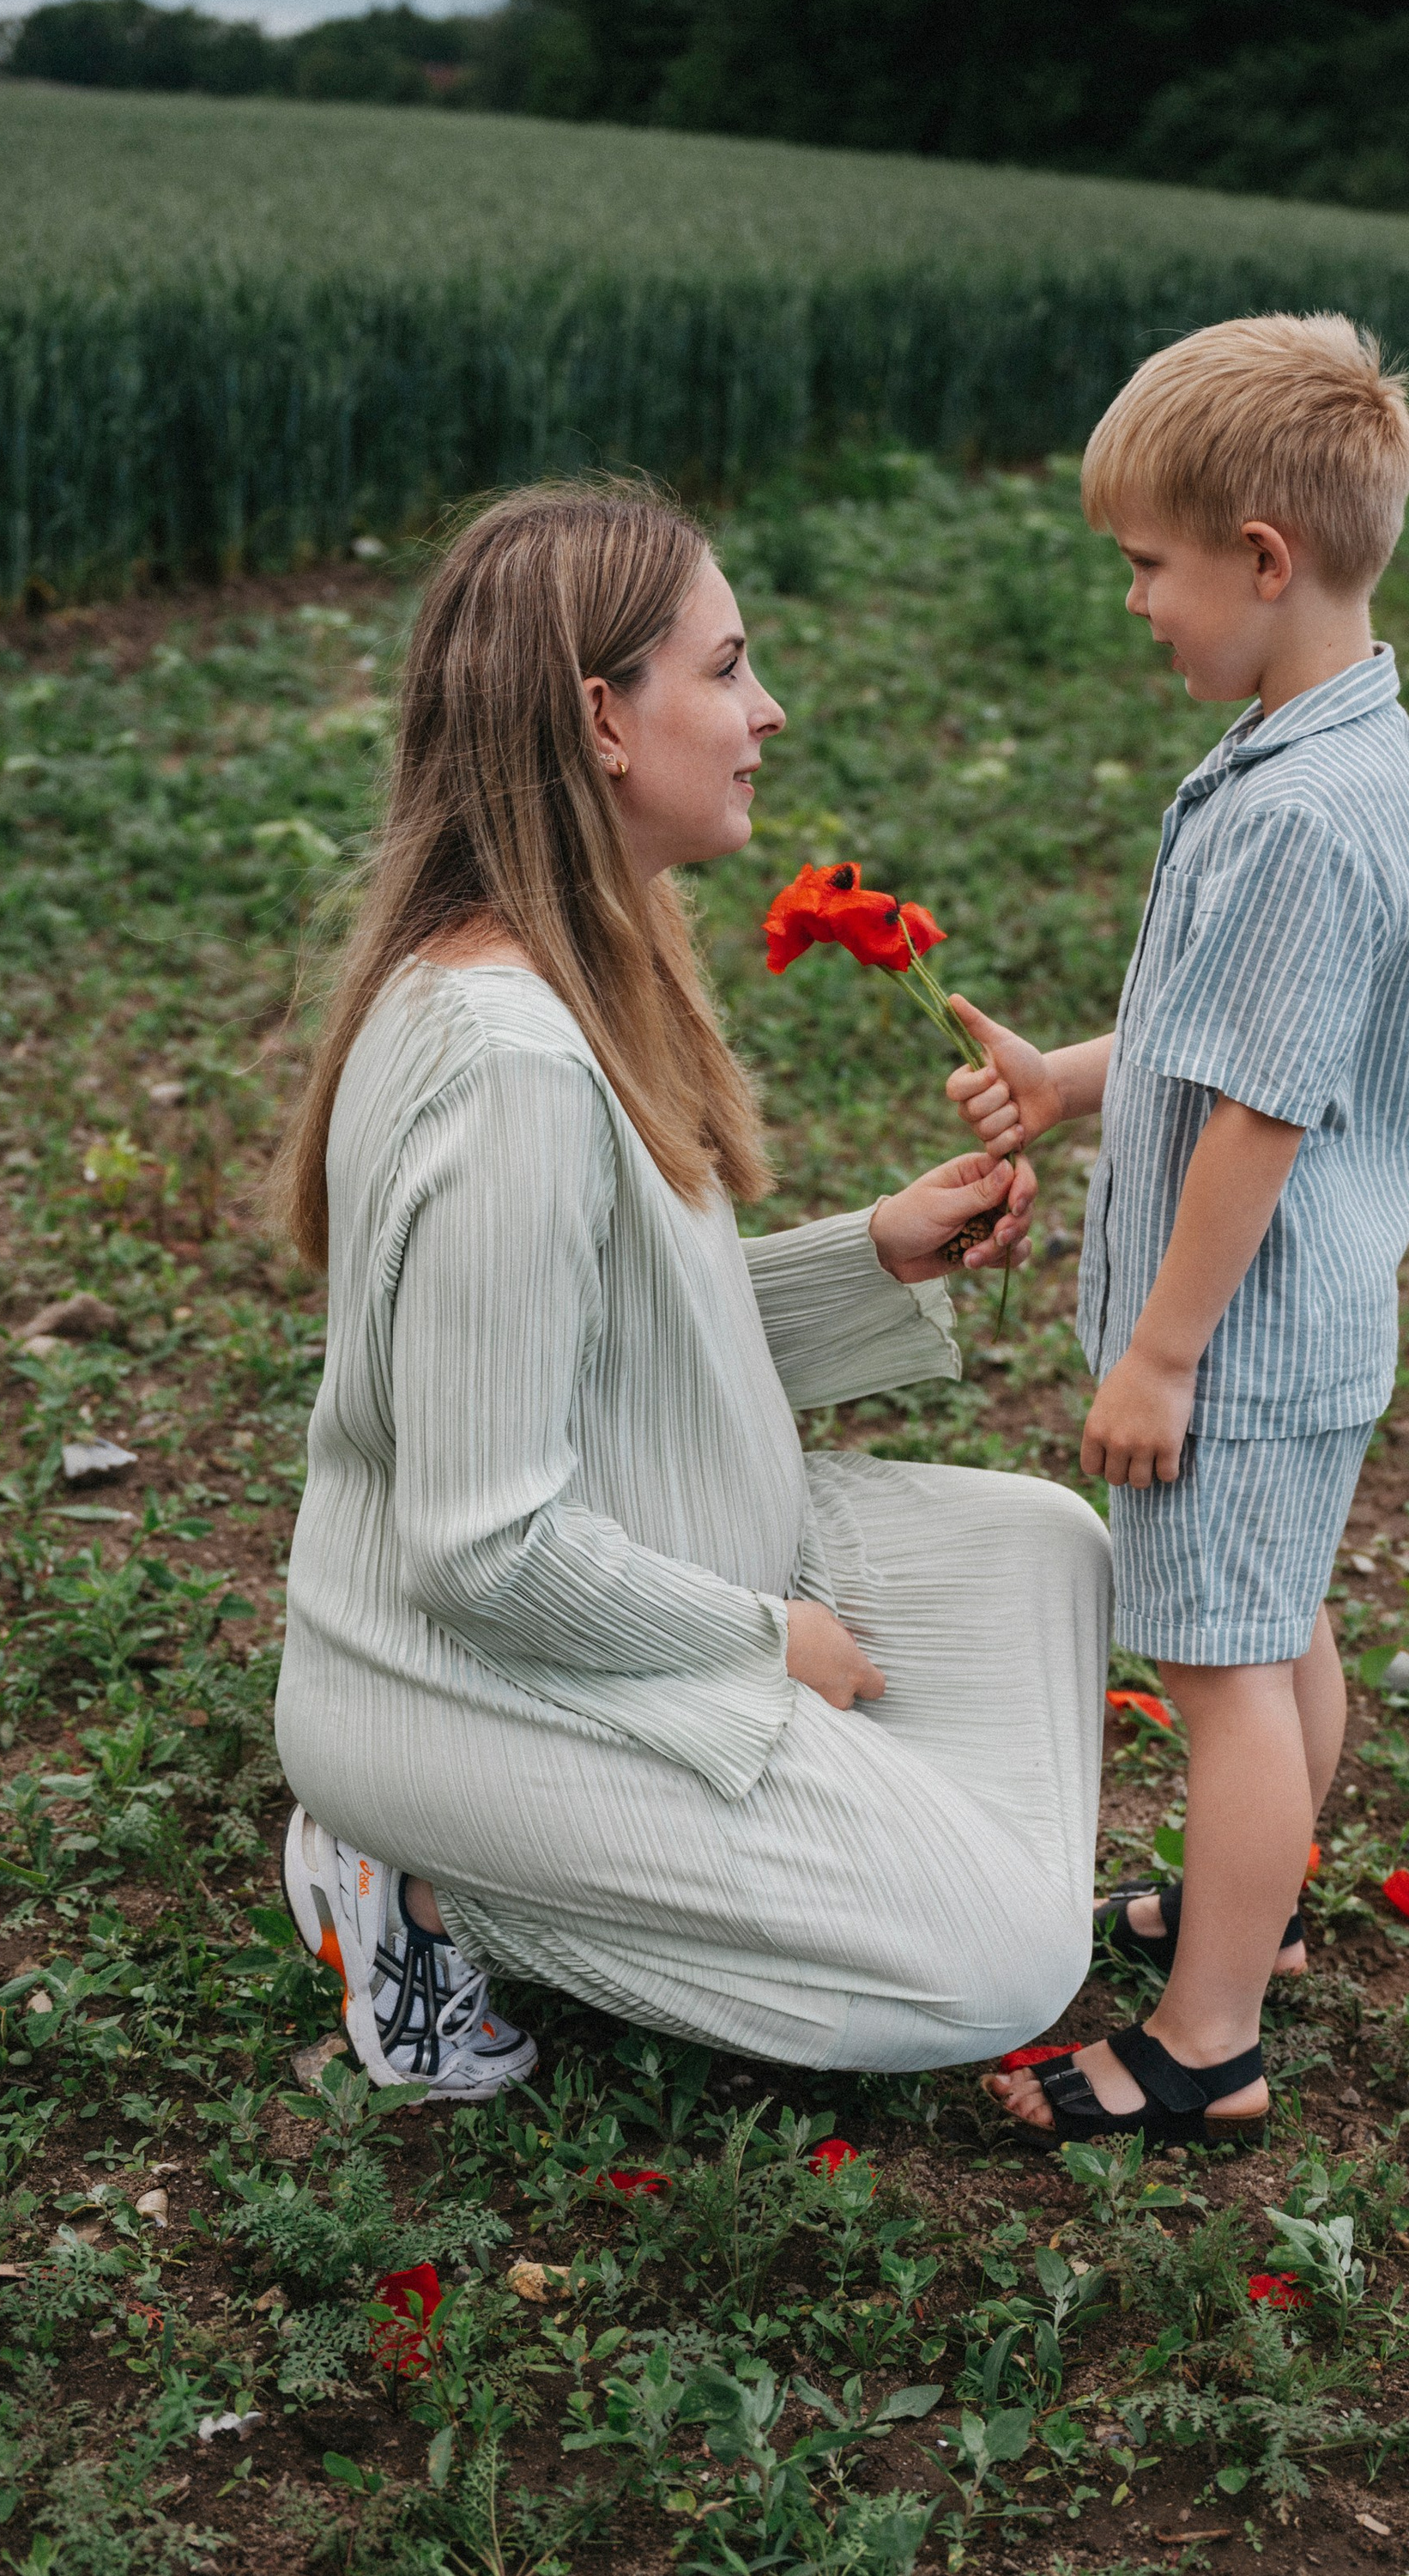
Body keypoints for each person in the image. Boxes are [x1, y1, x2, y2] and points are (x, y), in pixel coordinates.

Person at [269, 481, 1112, 2100]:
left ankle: (777, 1840)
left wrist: (875, 1250)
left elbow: (631, 1347)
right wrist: (762, 1644)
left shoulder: (577, 954)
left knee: (1043, 1551)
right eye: (727, 669)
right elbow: (479, 1543)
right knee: (1004, 1960)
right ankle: (426, 1885)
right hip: (457, 1678)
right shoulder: (505, 1069)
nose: (766, 709)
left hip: (658, 1535)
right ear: (601, 716)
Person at [945, 313, 1409, 2153]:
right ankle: (1266, 1908)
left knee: (1220, 1675)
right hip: (1299, 1333)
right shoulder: (1320, 742)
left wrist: (1156, 1351)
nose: (1136, 602)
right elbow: (1233, 1029)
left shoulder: (1301, 813)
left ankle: (1203, 2036)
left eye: (1146, 566)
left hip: (1237, 1340)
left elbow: (1262, 1110)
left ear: (1258, 557)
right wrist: (1075, 1081)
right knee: (1277, 1622)